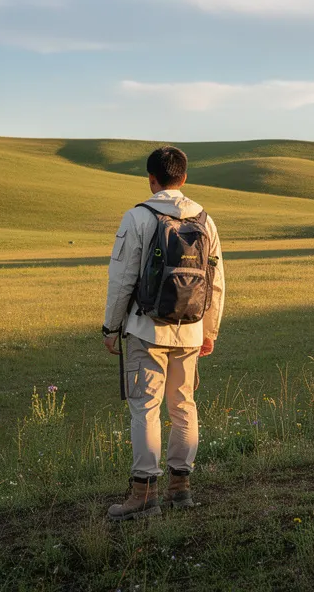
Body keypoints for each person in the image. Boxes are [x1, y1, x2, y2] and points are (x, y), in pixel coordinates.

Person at [101, 146, 225, 521]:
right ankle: (180, 489)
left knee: (146, 409)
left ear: (151, 179)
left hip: (146, 328)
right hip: (190, 331)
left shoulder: (138, 216)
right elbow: (216, 283)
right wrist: (209, 330)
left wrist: (111, 326)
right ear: (184, 178)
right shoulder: (205, 219)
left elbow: (121, 278)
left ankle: (143, 493)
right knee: (183, 406)